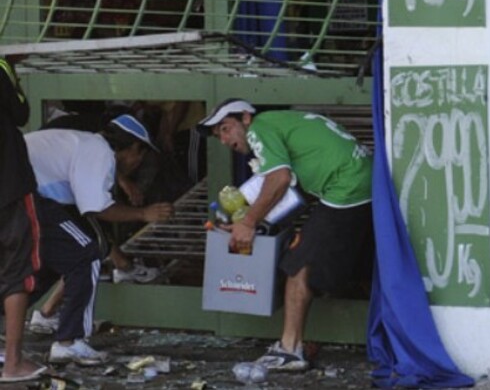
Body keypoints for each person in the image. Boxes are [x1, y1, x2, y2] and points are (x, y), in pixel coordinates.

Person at [198, 99, 373, 371]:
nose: (223, 139)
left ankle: (290, 350)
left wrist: (249, 222)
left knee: (298, 264)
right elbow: (294, 183)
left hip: (346, 187)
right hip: (364, 182)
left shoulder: (259, 128)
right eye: (218, 135)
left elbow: (279, 179)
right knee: (366, 267)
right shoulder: (282, 122)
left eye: (225, 128)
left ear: (245, 117)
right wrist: (257, 219)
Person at [24, 114, 174, 366]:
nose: (137, 164)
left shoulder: (84, 144)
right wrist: (143, 214)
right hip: (26, 196)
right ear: (133, 148)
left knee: (48, 262)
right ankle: (69, 342)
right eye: (141, 157)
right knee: (86, 255)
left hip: (19, 195)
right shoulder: (98, 150)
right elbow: (96, 208)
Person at [0, 54, 48, 383]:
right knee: (17, 272)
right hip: (8, 187)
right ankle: (13, 363)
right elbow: (21, 113)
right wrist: (10, 66)